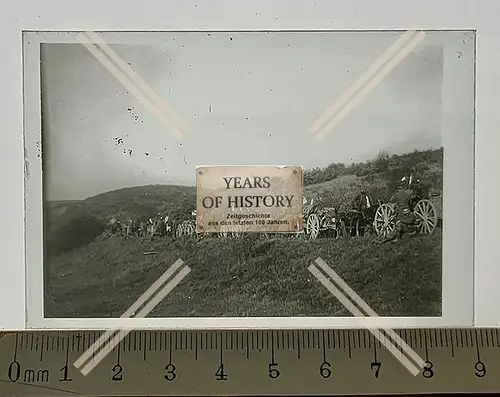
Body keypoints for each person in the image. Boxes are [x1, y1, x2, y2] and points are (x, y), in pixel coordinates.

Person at [375, 178, 417, 244]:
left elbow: (391, 201)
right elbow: (410, 203)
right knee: (408, 220)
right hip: (408, 210)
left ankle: (397, 237)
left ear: (398, 189)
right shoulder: (408, 194)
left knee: (398, 222)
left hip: (401, 211)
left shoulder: (397, 194)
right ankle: (410, 231)